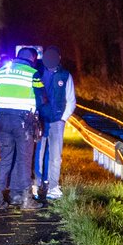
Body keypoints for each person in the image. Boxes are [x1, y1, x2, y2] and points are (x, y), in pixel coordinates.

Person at [0, 47, 44, 211]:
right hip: (23, 122)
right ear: (33, 59)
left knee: (5, 159)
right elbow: (41, 99)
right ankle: (27, 200)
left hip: (3, 121)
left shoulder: (1, 71)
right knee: (24, 159)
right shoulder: (32, 73)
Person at [32, 46, 76, 201]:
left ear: (59, 57)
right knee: (39, 153)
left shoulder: (65, 76)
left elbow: (71, 100)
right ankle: (37, 185)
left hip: (57, 121)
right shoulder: (37, 74)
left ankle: (53, 186)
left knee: (55, 156)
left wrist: (63, 118)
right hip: (40, 120)